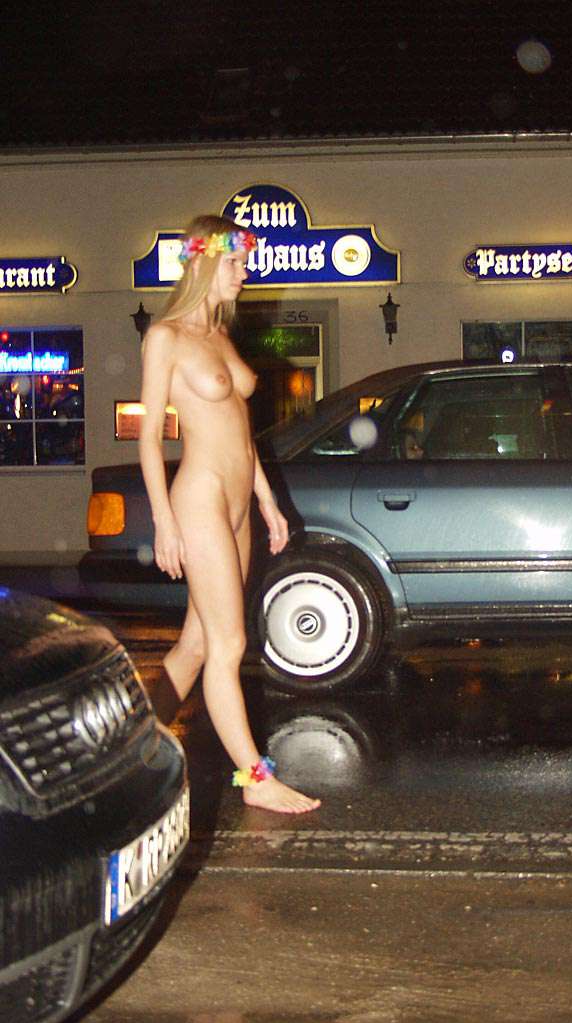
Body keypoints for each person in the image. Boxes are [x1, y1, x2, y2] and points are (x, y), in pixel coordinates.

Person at [139, 214, 320, 814]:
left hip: (239, 502)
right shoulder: (165, 337)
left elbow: (241, 433)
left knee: (196, 644)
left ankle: (132, 749)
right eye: (237, 262)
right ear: (206, 262)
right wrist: (164, 521)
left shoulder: (219, 334)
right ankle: (255, 778)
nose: (246, 273)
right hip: (200, 500)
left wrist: (266, 500)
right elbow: (149, 439)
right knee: (229, 642)